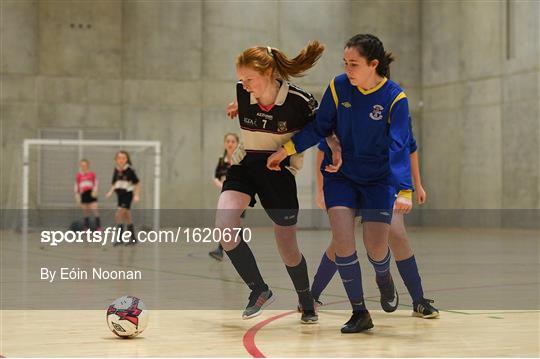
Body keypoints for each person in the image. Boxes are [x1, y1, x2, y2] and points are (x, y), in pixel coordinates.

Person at [267, 34, 410, 333]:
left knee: (375, 247)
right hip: (340, 174)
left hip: (377, 180)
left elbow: (400, 145)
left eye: (354, 64)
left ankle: (384, 277)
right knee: (343, 243)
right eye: (345, 63)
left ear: (374, 65)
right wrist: (287, 149)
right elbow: (320, 127)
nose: (348, 69)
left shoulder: (395, 98)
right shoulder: (338, 86)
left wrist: (405, 189)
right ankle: (360, 312)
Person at [215, 41, 324, 323]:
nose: (244, 85)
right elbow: (252, 107)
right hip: (245, 163)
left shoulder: (299, 101)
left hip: (279, 171)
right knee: (225, 228)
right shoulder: (243, 92)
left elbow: (320, 130)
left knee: (287, 247)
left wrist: (286, 151)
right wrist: (238, 105)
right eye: (241, 80)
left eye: (249, 79)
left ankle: (305, 296)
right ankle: (259, 289)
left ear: (269, 73)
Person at [310, 121, 439, 319]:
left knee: (397, 234)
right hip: (348, 182)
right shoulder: (344, 107)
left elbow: (409, 150)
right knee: (340, 241)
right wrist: (321, 191)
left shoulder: (395, 106)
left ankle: (416, 298)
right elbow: (322, 151)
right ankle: (312, 296)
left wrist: (417, 185)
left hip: (383, 182)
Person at [209, 133, 240, 261]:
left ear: (237, 144)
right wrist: (221, 185)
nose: (230, 143)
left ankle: (221, 250)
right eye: (227, 141)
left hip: (239, 197)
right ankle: (225, 250)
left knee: (230, 224)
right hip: (225, 197)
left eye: (233, 141)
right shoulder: (222, 160)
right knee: (232, 225)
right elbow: (215, 177)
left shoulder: (240, 159)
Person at [105, 150, 140, 245]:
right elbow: (114, 183)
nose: (121, 160)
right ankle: (133, 238)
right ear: (116, 159)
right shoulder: (116, 170)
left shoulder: (130, 170)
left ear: (127, 159)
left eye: (123, 158)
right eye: (119, 158)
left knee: (118, 214)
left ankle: (120, 238)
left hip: (127, 195)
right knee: (127, 216)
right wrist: (110, 192)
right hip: (119, 195)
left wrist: (136, 195)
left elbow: (137, 183)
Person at [74, 159, 102, 231]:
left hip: (91, 193)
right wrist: (77, 196)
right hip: (83, 194)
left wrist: (95, 191)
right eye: (82, 165)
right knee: (86, 212)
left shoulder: (92, 174)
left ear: (88, 166)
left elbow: (96, 183)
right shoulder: (78, 175)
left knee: (95, 210)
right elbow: (76, 186)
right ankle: (86, 228)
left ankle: (98, 227)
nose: (83, 166)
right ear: (80, 166)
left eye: (85, 165)